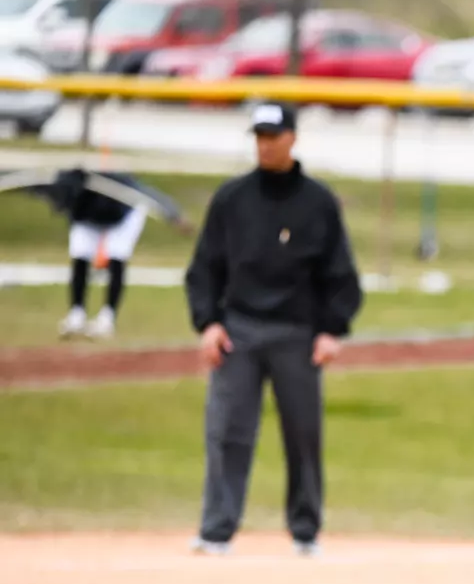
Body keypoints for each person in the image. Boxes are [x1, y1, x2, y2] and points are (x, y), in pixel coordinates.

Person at [183, 102, 363, 557]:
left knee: (303, 434)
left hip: (297, 334)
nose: (265, 145)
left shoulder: (318, 202)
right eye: (259, 137)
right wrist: (208, 323)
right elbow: (205, 268)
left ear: (292, 138)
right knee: (227, 432)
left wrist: (331, 329)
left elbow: (340, 274)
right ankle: (216, 530)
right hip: (239, 329)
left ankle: (306, 532)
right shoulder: (232, 199)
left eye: (273, 136)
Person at [0, 166, 191, 340]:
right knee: (80, 257)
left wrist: (174, 215)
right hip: (86, 215)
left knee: (117, 257)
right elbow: (24, 182)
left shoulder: (114, 183)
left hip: (121, 214)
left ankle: (107, 318)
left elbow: (147, 194)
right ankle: (76, 314)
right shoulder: (63, 185)